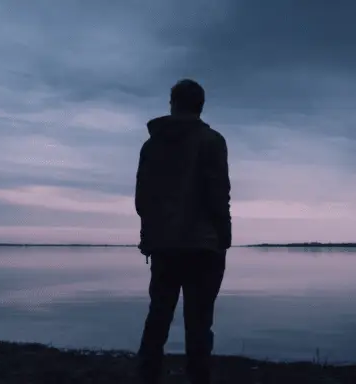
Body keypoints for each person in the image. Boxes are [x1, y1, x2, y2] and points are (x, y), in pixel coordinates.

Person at [135, 79, 231, 384]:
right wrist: (224, 237)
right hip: (204, 246)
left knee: (158, 317)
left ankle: (147, 377)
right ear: (201, 106)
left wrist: (150, 233)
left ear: (172, 103)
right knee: (199, 323)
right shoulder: (212, 141)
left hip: (164, 245)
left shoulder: (151, 145)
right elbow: (218, 194)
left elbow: (142, 199)